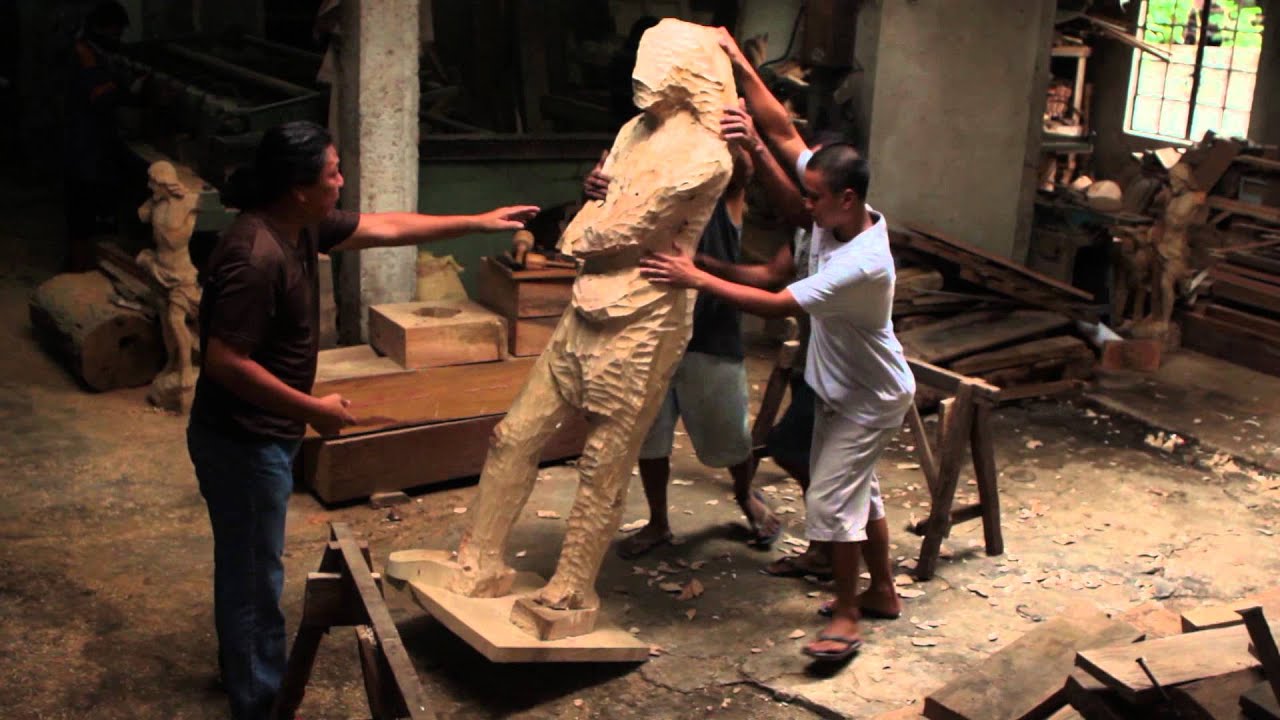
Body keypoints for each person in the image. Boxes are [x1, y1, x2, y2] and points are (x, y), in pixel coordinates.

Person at [187, 120, 537, 718]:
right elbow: (224, 361)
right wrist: (313, 410)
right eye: (333, 173)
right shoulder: (255, 255)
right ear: (298, 187)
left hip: (267, 433)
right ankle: (258, 701)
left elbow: (386, 227)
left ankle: (246, 672)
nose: (342, 181)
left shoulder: (299, 222)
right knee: (252, 576)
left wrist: (478, 221)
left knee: (252, 565)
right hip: (241, 441)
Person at [638, 31, 916, 664]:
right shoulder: (834, 205)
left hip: (870, 395)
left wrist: (694, 275)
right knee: (859, 494)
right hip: (838, 386)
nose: (803, 204)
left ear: (847, 199)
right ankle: (881, 592)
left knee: (831, 500)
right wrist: (741, 64)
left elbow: (774, 302)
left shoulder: (861, 261)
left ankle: (847, 615)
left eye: (812, 198)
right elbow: (784, 133)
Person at [583, 143, 781, 559]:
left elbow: (741, 170)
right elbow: (598, 223)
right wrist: (600, 189)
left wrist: (739, 133)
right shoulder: (644, 179)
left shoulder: (720, 185)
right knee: (650, 436)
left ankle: (745, 494)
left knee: (731, 436)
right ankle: (658, 522)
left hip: (710, 335)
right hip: (645, 332)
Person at [62, 0, 141, 271]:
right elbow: (100, 96)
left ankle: (89, 262)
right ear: (100, 28)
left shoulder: (94, 50)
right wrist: (133, 93)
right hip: (83, 144)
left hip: (91, 141)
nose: (117, 38)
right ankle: (81, 267)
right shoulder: (84, 54)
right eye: (115, 32)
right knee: (83, 208)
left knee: (93, 206)